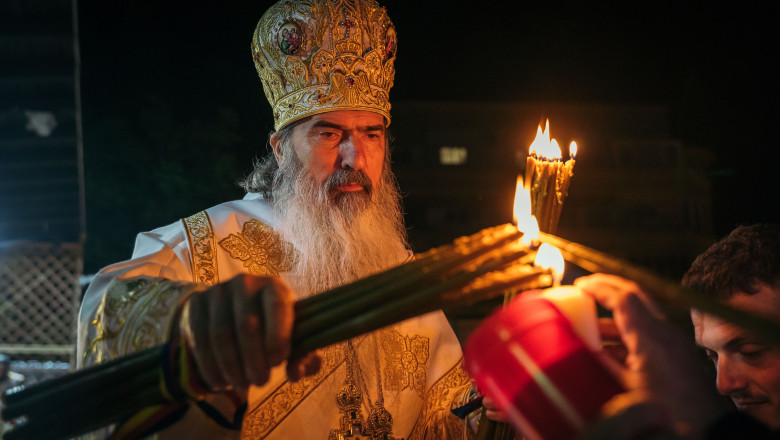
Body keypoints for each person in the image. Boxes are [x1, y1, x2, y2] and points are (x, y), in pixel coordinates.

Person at [77, 1, 471, 439]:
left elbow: (446, 417)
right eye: (328, 133)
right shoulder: (207, 242)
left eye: (371, 134)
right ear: (282, 150)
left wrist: (493, 414)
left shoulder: (401, 269)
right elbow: (105, 308)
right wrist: (192, 318)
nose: (354, 157)